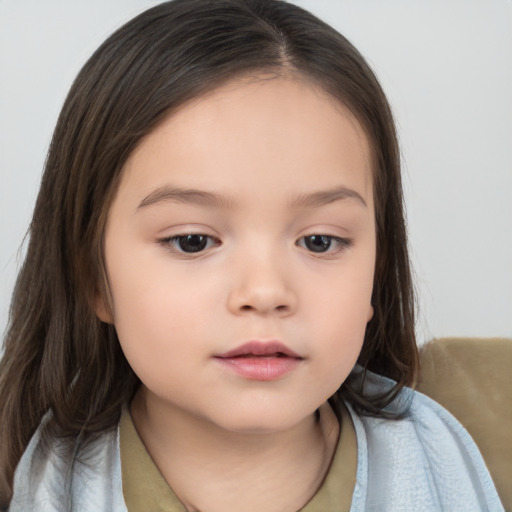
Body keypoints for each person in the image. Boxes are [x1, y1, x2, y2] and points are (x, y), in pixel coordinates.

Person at [0, 0, 506, 510]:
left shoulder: (486, 423)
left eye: (319, 241)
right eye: (193, 241)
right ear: (93, 278)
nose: (265, 292)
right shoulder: (25, 478)